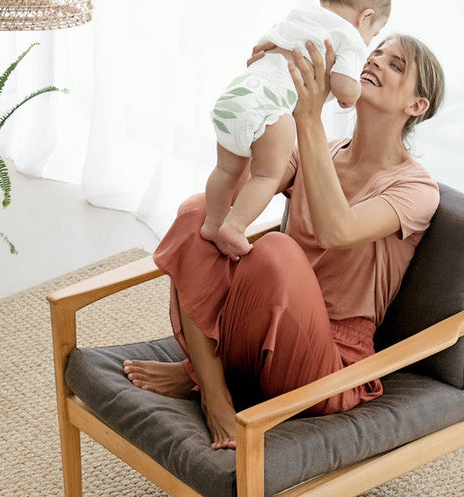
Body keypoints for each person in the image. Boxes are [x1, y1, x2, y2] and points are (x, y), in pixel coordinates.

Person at [125, 33, 446, 449]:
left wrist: (309, 119)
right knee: (198, 212)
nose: (375, 62)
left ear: (416, 106)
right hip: (263, 329)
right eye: (375, 54)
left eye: (396, 65)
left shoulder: (417, 189)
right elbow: (235, 193)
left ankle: (200, 377)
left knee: (276, 250)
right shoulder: (322, 149)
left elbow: (338, 230)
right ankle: (213, 391)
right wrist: (262, 96)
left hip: (329, 363)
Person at [201, 0, 391, 259]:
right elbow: (344, 86)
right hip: (270, 108)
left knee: (225, 170)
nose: (368, 43)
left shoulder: (298, 15)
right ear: (365, 17)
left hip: (237, 94)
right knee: (266, 175)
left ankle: (213, 223)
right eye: (374, 35)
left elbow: (261, 48)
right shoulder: (350, 37)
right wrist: (350, 94)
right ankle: (234, 227)